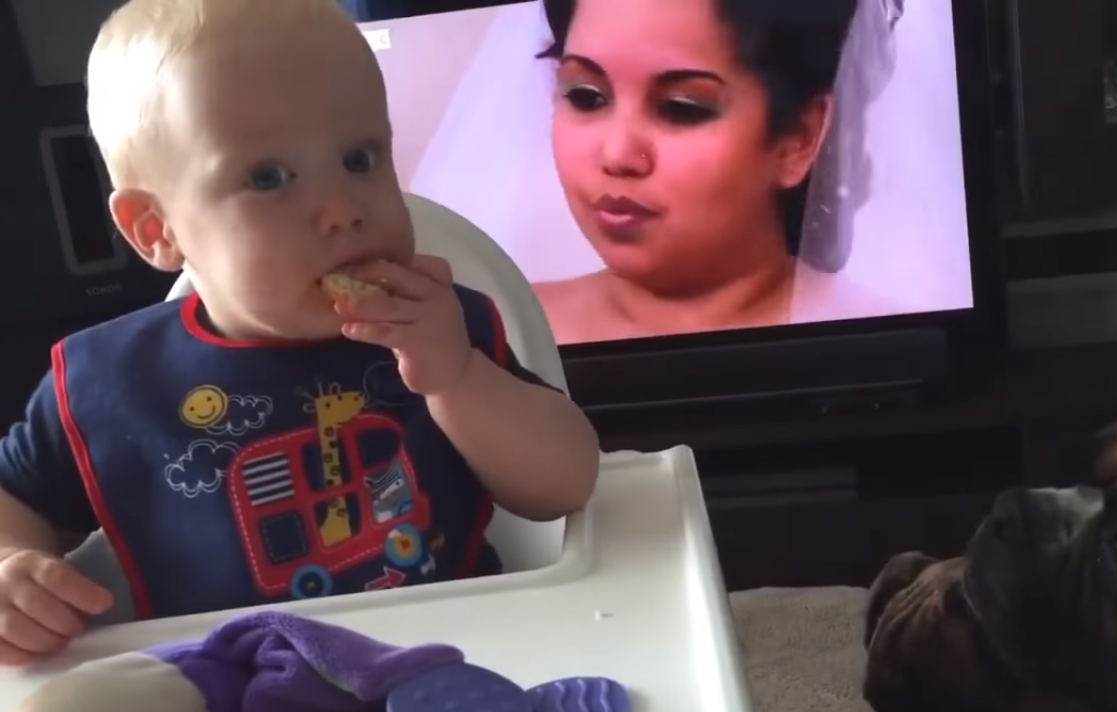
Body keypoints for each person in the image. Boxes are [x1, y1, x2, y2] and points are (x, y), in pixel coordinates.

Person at [0, 0, 599, 665]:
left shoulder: (440, 327)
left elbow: (567, 486)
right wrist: (11, 567)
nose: (343, 210)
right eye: (267, 178)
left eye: (360, 157)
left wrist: (457, 378)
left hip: (457, 665)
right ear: (158, 229)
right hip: (225, 694)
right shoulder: (106, 384)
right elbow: (15, 496)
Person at [531, 0, 869, 343]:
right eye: (586, 96)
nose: (618, 155)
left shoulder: (872, 342)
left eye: (681, 108)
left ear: (798, 139)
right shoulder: (499, 335)